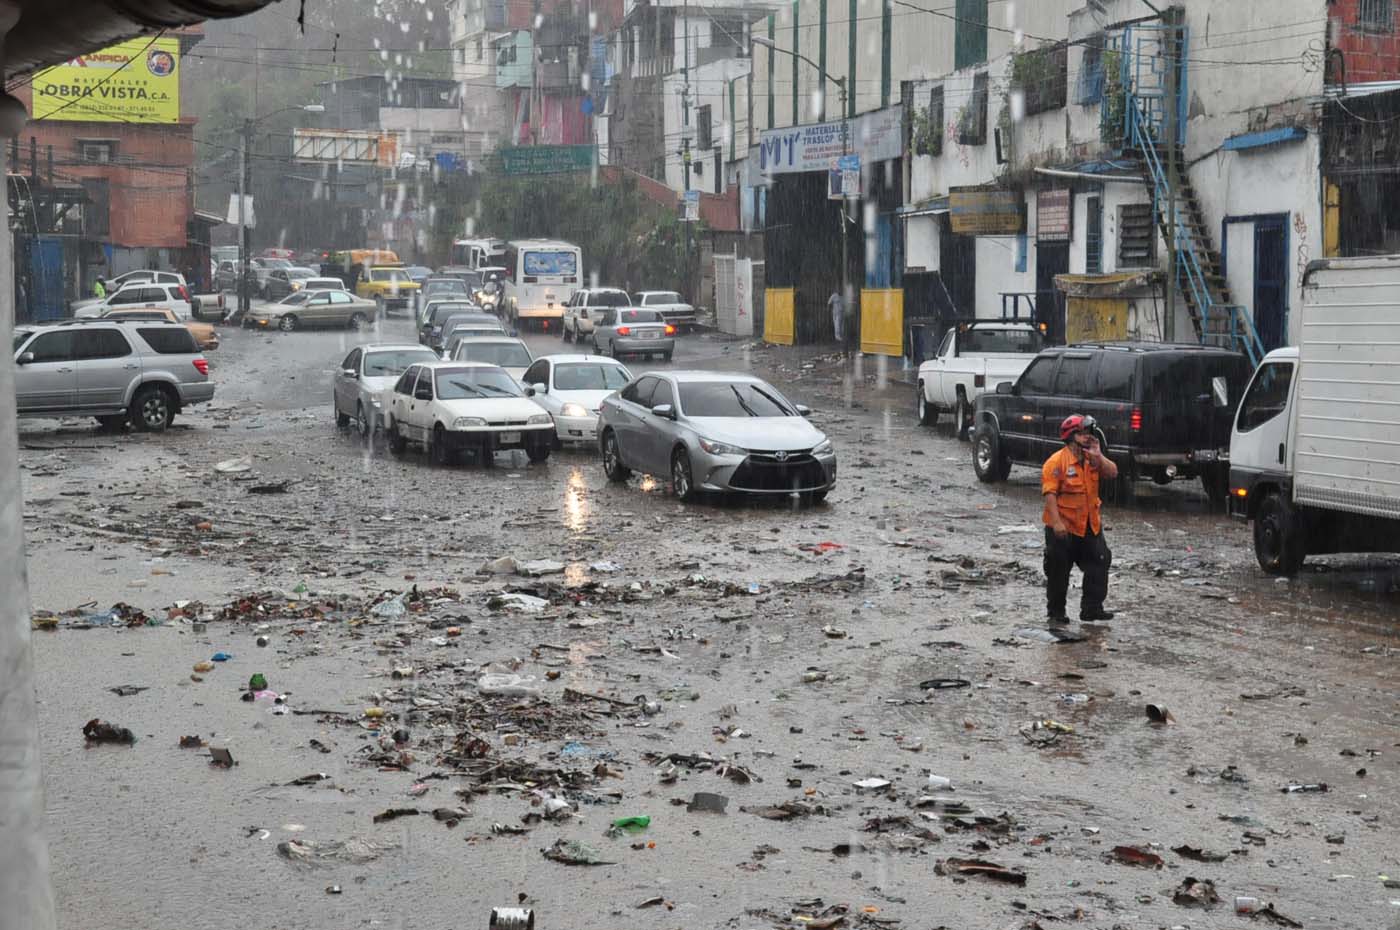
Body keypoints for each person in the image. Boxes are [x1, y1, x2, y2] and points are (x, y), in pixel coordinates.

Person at [1042, 414, 1119, 624]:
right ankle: (1056, 613)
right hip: (1063, 527)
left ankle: (1092, 609)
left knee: (1100, 562)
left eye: (1088, 433)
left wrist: (1099, 456)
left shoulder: (1092, 460)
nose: (1087, 437)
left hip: (1089, 525)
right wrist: (1057, 523)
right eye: (1082, 433)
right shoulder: (1056, 462)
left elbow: (1113, 472)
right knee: (1059, 572)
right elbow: (1050, 495)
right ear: (1070, 436)